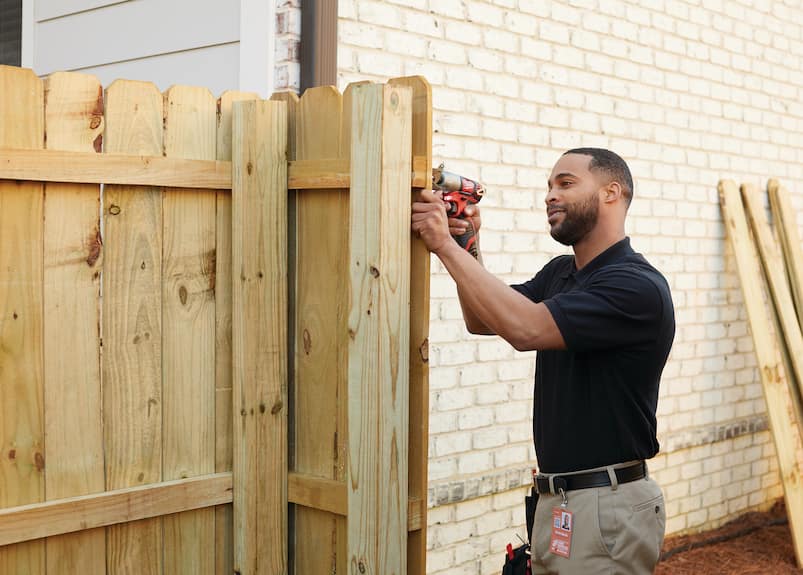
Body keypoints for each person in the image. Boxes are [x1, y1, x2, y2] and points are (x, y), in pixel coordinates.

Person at [411, 148, 675, 574]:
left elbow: (526, 329)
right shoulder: (561, 274)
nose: (550, 195)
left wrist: (442, 245)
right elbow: (483, 319)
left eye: (565, 183)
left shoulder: (635, 287)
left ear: (611, 193)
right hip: (560, 500)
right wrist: (466, 244)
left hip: (606, 506)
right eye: (549, 186)